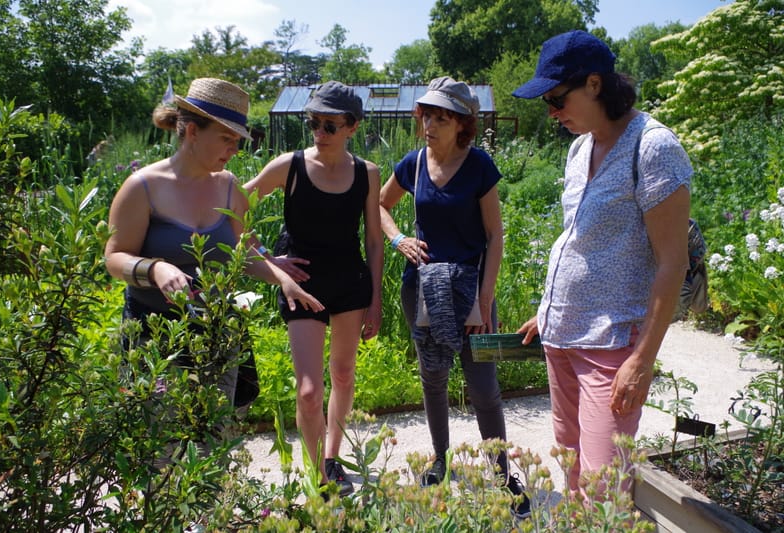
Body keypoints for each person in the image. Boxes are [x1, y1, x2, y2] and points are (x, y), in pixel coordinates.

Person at [512, 30, 692, 491]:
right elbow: (580, 240)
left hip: (612, 341)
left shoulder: (652, 147)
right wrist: (548, 308)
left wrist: (641, 360)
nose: (552, 113)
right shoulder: (580, 147)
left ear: (594, 84)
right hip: (562, 333)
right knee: (570, 465)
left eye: (556, 98)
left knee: (603, 484)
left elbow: (674, 263)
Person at [104, 77, 324, 412]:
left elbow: (244, 252)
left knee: (214, 439)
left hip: (217, 332)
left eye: (237, 140)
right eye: (226, 139)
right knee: (157, 445)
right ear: (192, 132)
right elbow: (114, 257)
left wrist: (283, 279)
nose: (235, 149)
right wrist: (156, 268)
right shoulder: (142, 187)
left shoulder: (229, 186)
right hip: (154, 336)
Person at [378, 76, 531, 517]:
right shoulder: (413, 163)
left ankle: (503, 475)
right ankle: (439, 460)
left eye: (442, 117)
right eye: (427, 114)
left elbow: (494, 235)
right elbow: (380, 204)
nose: (430, 123)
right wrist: (398, 238)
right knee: (433, 379)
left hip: (474, 293)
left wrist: (485, 300)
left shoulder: (479, 166)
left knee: (484, 388)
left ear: (462, 123)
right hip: (422, 288)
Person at [243, 81, 383, 497]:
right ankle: (316, 476)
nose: (319, 133)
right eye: (314, 123)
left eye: (330, 125)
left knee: (343, 374)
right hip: (301, 283)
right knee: (308, 391)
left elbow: (374, 241)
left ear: (352, 127)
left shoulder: (367, 173)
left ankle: (331, 458)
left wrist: (375, 300)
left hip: (350, 283)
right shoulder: (289, 166)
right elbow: (234, 208)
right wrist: (269, 260)